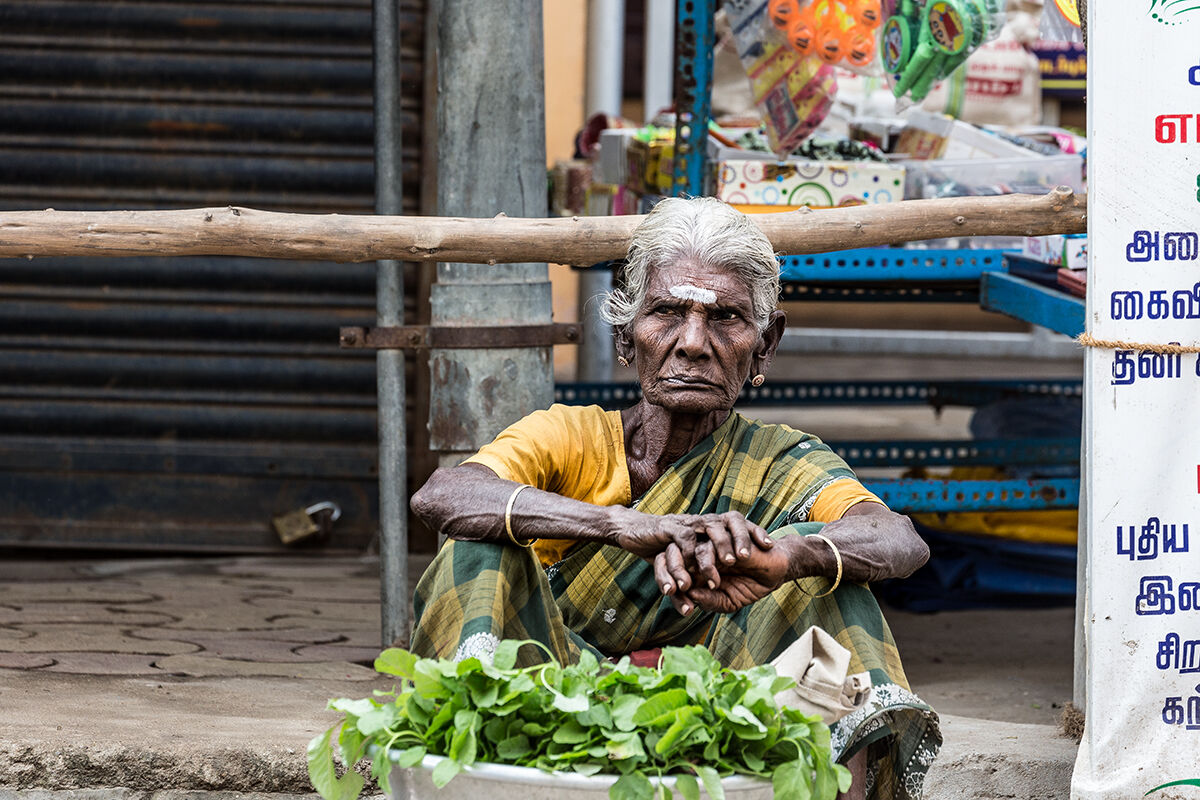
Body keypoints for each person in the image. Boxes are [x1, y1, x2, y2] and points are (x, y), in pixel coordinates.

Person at [409, 196, 941, 800]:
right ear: (626, 337)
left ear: (766, 344)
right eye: (666, 312)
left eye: (726, 318)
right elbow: (445, 494)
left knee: (823, 569)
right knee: (478, 546)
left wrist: (790, 557)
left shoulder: (780, 459)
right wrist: (616, 525)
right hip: (554, 695)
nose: (693, 342)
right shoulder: (567, 436)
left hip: (723, 712)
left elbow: (896, 536)